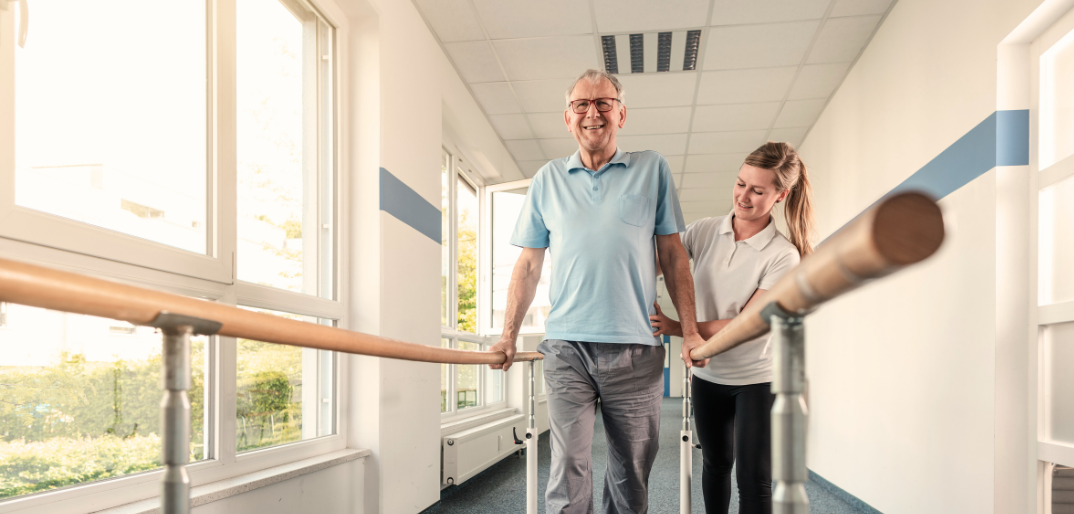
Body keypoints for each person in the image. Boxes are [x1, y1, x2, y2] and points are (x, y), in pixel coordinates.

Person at [488, 69, 707, 514]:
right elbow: (529, 265)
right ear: (567, 118)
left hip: (636, 348)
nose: (593, 113)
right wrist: (508, 335)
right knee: (568, 464)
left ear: (621, 114)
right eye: (581, 105)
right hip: (568, 347)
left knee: (631, 469)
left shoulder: (652, 168)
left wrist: (693, 331)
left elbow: (673, 255)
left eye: (603, 103)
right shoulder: (547, 179)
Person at [649, 142, 815, 514]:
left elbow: (749, 322)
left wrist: (680, 327)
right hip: (710, 378)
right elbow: (658, 266)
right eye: (741, 184)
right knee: (716, 465)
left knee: (753, 479)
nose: (744, 196)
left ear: (780, 195)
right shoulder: (704, 231)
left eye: (758, 190)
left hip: (758, 379)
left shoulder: (782, 255)